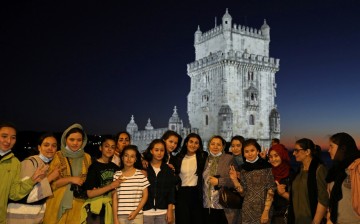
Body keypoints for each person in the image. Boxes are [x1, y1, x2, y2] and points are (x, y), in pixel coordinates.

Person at [43, 123, 92, 224]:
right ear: (65, 139)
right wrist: (71, 179)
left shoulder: (87, 157)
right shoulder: (57, 156)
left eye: (79, 140)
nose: (75, 143)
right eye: (72, 139)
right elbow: (52, 184)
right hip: (57, 202)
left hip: (79, 203)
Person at [7, 133, 60, 224]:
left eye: (54, 146)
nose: (50, 148)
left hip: (34, 217)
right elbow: (25, 195)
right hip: (21, 218)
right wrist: (51, 177)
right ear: (39, 147)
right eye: (46, 145)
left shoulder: (47, 164)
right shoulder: (30, 163)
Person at [0, 122, 47, 223]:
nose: (8, 141)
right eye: (4, 136)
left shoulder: (14, 162)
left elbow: (14, 194)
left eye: (13, 137)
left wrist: (32, 180)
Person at [229, 138, 276, 224]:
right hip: (247, 209)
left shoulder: (266, 166)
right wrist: (235, 180)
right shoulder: (243, 169)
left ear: (258, 151)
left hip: (264, 209)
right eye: (246, 151)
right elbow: (243, 193)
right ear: (243, 153)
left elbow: (271, 189)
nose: (250, 154)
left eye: (252, 150)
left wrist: (266, 211)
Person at [81, 136, 122, 224]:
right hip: (96, 210)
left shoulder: (115, 168)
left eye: (112, 147)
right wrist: (111, 186)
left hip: (110, 207)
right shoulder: (94, 167)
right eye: (106, 146)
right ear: (100, 148)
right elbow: (90, 193)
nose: (109, 149)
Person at [287, 138, 328, 224]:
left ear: (307, 152)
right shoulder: (299, 171)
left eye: (296, 150)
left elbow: (323, 199)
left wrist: (315, 222)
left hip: (310, 220)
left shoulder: (319, 169)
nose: (293, 153)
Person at [326, 132, 360, 223]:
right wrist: (329, 217)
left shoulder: (357, 167)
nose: (328, 150)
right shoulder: (335, 170)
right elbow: (332, 198)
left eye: (331, 146)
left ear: (343, 148)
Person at [174, 133, 208, 224]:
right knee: (182, 220)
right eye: (191, 142)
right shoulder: (178, 158)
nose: (193, 145)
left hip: (197, 193)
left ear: (199, 145)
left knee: (197, 220)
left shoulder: (203, 156)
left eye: (196, 143)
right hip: (181, 194)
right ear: (186, 143)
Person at [113, 145, 150, 224]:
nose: (129, 159)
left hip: (137, 216)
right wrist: (115, 218)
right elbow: (115, 198)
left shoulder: (141, 175)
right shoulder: (117, 175)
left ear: (136, 159)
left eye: (132, 156)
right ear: (122, 158)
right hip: (121, 216)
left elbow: (145, 195)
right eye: (126, 156)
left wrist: (136, 212)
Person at [142, 139, 176, 224]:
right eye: (156, 150)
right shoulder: (144, 168)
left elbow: (171, 192)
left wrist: (170, 210)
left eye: (162, 150)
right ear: (151, 151)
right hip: (146, 212)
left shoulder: (168, 170)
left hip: (163, 212)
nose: (159, 153)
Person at [202, 135, 234, 224]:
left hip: (222, 205)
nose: (215, 147)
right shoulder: (205, 159)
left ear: (223, 146)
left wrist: (219, 181)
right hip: (206, 205)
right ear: (209, 145)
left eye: (218, 144)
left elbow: (235, 181)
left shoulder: (229, 159)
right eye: (213, 144)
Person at [268, 144, 291, 224]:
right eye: (270, 157)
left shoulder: (291, 174)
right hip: (271, 216)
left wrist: (283, 194)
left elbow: (299, 199)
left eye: (276, 156)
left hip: (286, 217)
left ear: (283, 155)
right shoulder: (269, 173)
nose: (273, 159)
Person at [227, 135, 245, 224]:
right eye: (233, 146)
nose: (235, 148)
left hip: (247, 198)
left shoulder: (248, 160)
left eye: (238, 146)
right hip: (235, 198)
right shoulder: (231, 160)